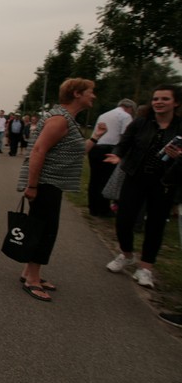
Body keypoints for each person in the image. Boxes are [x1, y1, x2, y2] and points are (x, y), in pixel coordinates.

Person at [18, 78, 96, 301]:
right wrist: (33, 185)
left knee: (43, 228)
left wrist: (96, 136)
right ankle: (33, 279)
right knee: (44, 230)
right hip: (46, 184)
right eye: (90, 92)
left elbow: (74, 151)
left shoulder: (66, 118)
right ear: (77, 94)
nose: (93, 96)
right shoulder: (60, 120)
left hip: (52, 184)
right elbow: (38, 150)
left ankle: (29, 272)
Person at [104, 85, 182, 289]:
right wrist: (118, 155)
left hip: (164, 182)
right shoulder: (141, 122)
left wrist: (178, 157)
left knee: (156, 224)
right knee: (123, 219)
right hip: (135, 176)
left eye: (165, 99)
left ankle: (146, 268)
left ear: (176, 102)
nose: (159, 102)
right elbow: (125, 142)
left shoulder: (180, 127)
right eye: (156, 99)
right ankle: (127, 254)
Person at [87, 99, 136, 217]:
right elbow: (126, 136)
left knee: (94, 179)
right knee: (106, 180)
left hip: (96, 147)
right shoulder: (126, 116)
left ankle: (93, 207)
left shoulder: (103, 115)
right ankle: (103, 209)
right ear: (130, 108)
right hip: (110, 149)